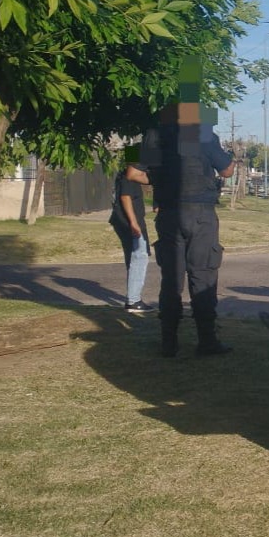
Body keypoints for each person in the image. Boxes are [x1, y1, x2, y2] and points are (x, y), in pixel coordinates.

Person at [127, 102, 235, 357]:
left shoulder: (153, 135)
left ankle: (169, 343)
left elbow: (132, 173)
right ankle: (207, 341)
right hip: (201, 215)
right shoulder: (204, 134)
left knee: (171, 281)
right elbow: (227, 171)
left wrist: (156, 179)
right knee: (203, 277)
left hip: (168, 214)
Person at [111, 168, 154, 313]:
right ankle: (133, 300)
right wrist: (133, 222)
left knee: (133, 258)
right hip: (129, 222)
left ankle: (133, 297)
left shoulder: (127, 175)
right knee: (140, 256)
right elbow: (125, 197)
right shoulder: (128, 177)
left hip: (123, 221)